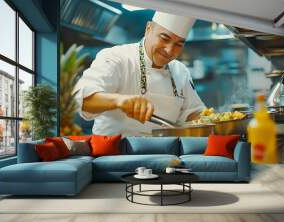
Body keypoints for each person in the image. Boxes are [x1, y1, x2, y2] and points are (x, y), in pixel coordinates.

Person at [75, 11, 206, 136]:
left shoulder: (180, 71)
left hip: (165, 153)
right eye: (164, 38)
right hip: (114, 154)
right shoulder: (116, 57)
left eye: (178, 44)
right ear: (148, 28)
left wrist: (219, 121)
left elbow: (194, 114)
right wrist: (119, 100)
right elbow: (82, 99)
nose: (169, 50)